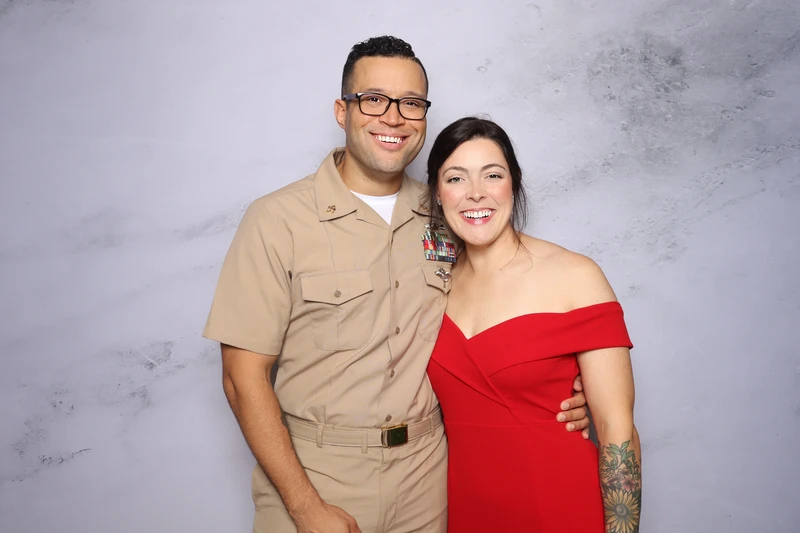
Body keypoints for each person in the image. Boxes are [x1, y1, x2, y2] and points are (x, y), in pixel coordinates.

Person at [203, 37, 591, 533]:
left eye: (411, 103)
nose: (393, 118)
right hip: (318, 476)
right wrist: (305, 507)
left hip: (428, 480)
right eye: (373, 99)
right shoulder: (277, 220)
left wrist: (561, 386)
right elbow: (242, 379)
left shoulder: (447, 212)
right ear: (342, 111)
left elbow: (503, 298)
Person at [424, 116, 642, 533]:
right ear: (437, 191)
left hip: (559, 505)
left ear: (514, 183)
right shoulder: (433, 283)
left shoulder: (575, 276)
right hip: (466, 511)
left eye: (493, 175)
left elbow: (617, 430)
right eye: (456, 178)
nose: (475, 192)